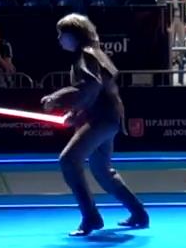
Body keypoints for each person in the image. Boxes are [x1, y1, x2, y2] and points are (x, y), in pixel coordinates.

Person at [40, 13, 149, 236]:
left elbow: (89, 87)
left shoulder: (86, 55)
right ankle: (138, 214)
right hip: (108, 118)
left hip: (102, 119)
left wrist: (56, 99)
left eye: (62, 34)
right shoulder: (94, 52)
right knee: (102, 170)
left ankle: (91, 217)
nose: (59, 38)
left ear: (74, 35)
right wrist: (75, 113)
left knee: (69, 161)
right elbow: (94, 92)